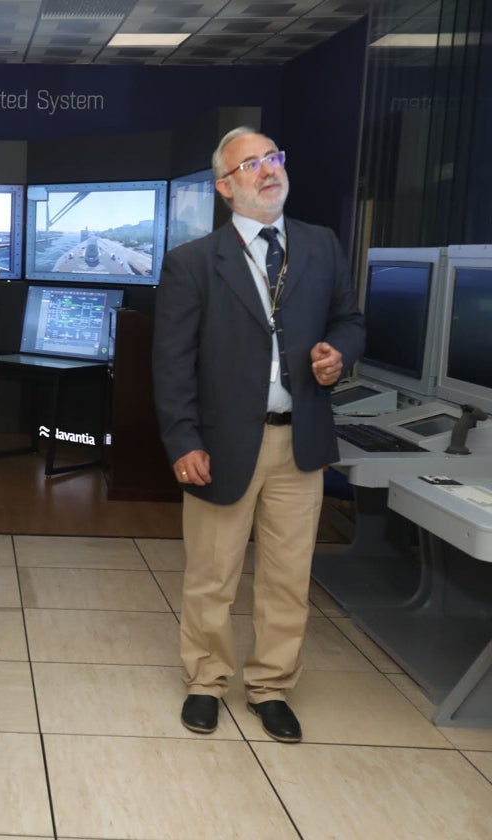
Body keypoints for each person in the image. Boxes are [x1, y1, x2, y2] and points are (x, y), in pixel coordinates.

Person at [152, 127, 365, 744]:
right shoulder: (192, 263)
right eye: (251, 164)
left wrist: (338, 354)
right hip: (220, 445)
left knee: (287, 576)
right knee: (212, 574)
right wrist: (182, 440)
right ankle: (206, 681)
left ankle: (272, 687)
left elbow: (350, 321)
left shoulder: (321, 247)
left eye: (273, 158)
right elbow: (171, 363)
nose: (268, 170)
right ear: (225, 186)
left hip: (300, 442)